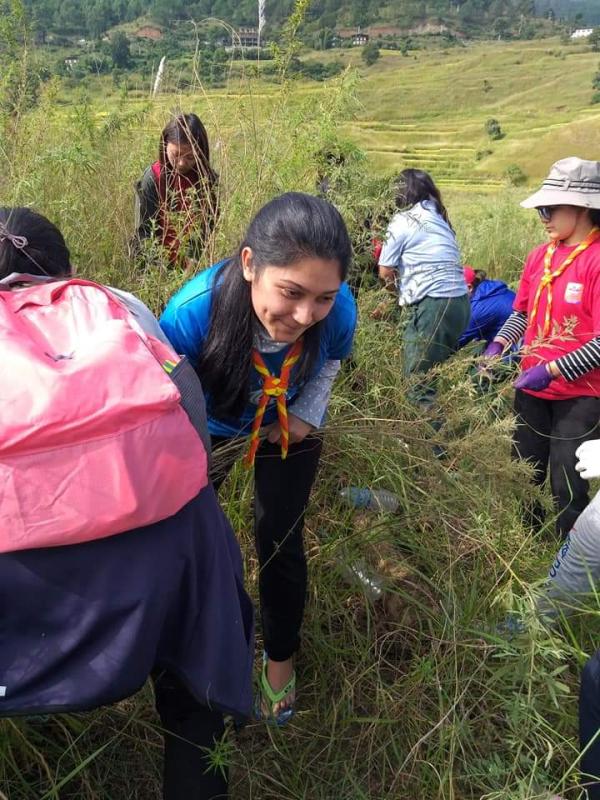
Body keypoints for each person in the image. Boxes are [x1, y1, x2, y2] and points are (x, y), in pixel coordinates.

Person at [0, 207, 253, 800]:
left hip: (17, 567)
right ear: (69, 271)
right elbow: (190, 420)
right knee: (198, 668)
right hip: (161, 547)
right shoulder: (114, 303)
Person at [160, 192, 357, 725]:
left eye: (322, 298)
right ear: (250, 264)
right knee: (194, 537)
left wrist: (304, 415)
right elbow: (173, 396)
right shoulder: (189, 313)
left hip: (288, 425)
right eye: (291, 292)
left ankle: (279, 658)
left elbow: (331, 360)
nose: (304, 315)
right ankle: (196, 653)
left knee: (279, 539)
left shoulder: (337, 313)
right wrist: (203, 453)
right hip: (211, 427)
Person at [482, 157, 600, 538]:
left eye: (549, 209)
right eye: (539, 210)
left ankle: (572, 561)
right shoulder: (540, 256)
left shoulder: (596, 262)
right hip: (532, 389)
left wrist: (551, 370)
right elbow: (523, 313)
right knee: (523, 471)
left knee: (567, 483)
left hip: (580, 395)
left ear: (582, 207)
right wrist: (500, 343)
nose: (543, 217)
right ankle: (527, 543)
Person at [377, 168, 470, 411]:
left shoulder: (404, 220)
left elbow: (385, 271)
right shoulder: (440, 219)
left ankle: (430, 449)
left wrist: (395, 297)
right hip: (458, 304)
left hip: (433, 304)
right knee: (430, 378)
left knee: (419, 386)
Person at [133, 113, 219, 268]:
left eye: (190, 158)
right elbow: (144, 234)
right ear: (165, 144)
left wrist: (193, 259)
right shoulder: (153, 179)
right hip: (158, 269)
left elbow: (208, 226)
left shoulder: (208, 180)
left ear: (200, 153)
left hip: (196, 267)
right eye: (175, 155)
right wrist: (160, 271)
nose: (181, 163)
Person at [458, 266, 515, 348]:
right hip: (515, 335)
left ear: (469, 287)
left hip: (521, 348)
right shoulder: (488, 288)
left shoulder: (478, 310)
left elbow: (453, 344)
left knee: (483, 359)